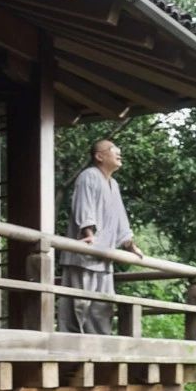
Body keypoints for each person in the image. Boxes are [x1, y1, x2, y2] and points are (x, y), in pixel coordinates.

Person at [58, 138, 143, 334]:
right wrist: (88, 233)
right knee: (77, 305)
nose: (119, 153)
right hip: (84, 255)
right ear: (99, 156)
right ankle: (71, 349)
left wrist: (130, 244)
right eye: (114, 150)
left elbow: (121, 219)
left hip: (105, 257)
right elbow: (83, 206)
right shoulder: (89, 176)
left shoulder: (113, 184)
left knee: (103, 309)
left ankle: (99, 352)